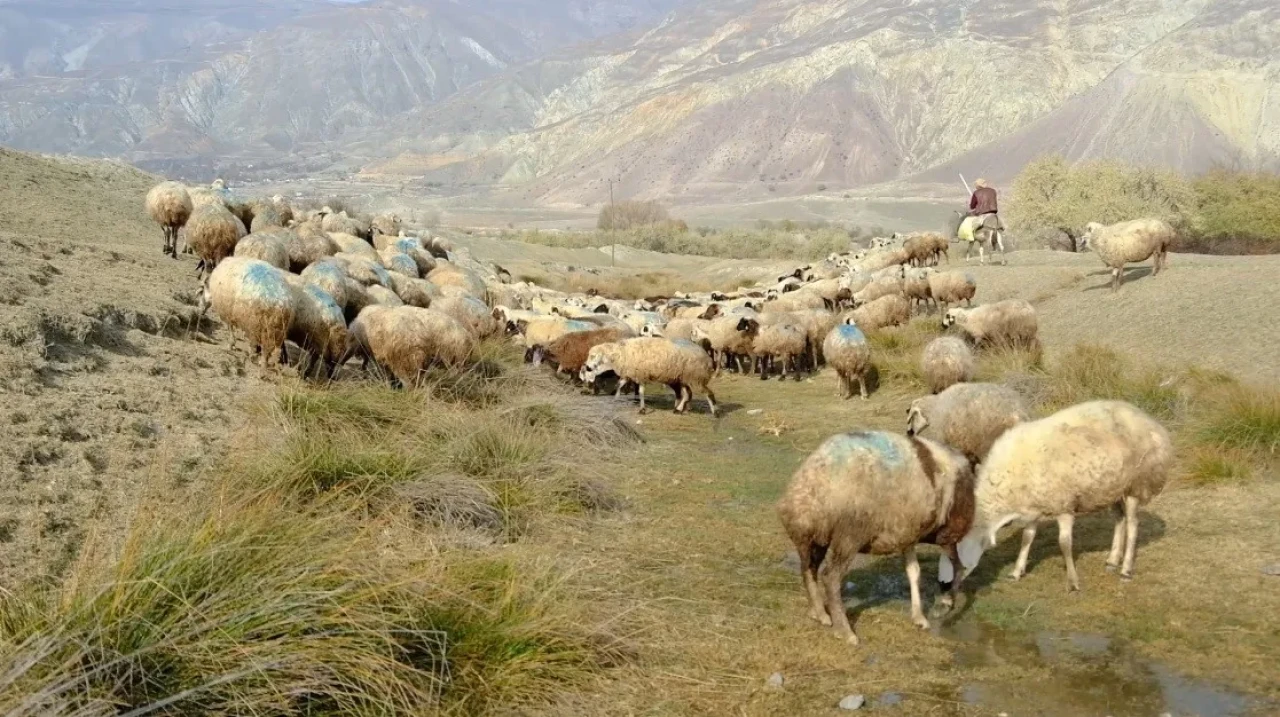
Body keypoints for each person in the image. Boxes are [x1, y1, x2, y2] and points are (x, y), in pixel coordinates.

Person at [962, 178, 1006, 265]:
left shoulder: (976, 193)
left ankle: (972, 239)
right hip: (993, 214)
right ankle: (1003, 259)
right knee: (1001, 227)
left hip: (983, 215)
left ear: (977, 186)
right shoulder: (993, 191)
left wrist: (975, 204)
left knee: (971, 229)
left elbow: (972, 206)